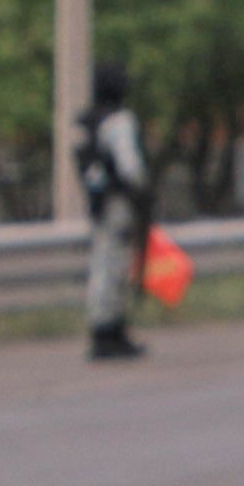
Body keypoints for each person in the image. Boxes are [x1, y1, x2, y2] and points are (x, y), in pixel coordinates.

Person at [77, 56, 154, 359]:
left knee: (103, 265)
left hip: (99, 202)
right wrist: (143, 195)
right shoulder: (120, 121)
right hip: (120, 204)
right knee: (117, 266)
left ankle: (104, 328)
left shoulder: (91, 120)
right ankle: (110, 332)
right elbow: (131, 168)